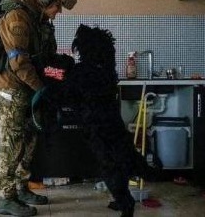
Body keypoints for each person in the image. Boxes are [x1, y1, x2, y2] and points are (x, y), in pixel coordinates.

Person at [35, 24, 162, 217]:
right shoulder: (105, 73)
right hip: (111, 130)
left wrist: (45, 72)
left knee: (111, 168)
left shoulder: (84, 74)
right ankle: (127, 195)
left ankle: (126, 206)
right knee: (123, 162)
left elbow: (62, 89)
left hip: (101, 134)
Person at [0, 0, 77, 217]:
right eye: (56, 5)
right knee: (11, 145)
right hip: (12, 89)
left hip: (30, 89)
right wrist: (42, 88)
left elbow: (43, 62)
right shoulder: (17, 18)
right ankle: (5, 198)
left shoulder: (40, 21)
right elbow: (19, 63)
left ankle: (21, 188)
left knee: (29, 142)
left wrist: (62, 72)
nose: (58, 11)